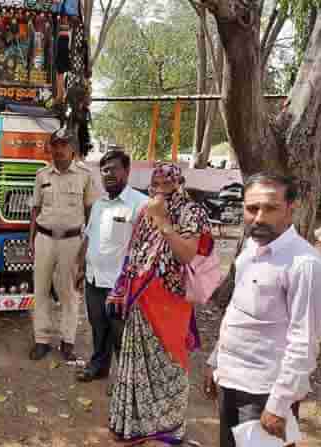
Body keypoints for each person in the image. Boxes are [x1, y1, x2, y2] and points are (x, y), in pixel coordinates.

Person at [204, 174, 321, 447]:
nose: (259, 218)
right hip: (231, 380)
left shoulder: (304, 265)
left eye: (270, 208)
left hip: (264, 393)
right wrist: (216, 362)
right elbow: (236, 313)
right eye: (252, 208)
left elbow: (304, 342)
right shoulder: (250, 249)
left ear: (291, 208)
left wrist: (279, 405)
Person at [107, 162, 213, 445]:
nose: (159, 190)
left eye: (166, 185)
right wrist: (119, 287)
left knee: (170, 362)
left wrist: (164, 222)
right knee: (135, 362)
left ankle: (168, 427)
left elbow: (186, 256)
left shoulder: (192, 212)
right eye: (155, 184)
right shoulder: (144, 211)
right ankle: (134, 425)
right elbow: (133, 252)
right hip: (139, 299)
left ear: (179, 184)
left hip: (171, 305)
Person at [76, 150, 147, 382]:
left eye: (113, 169)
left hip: (120, 285)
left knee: (121, 334)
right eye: (104, 170)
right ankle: (99, 366)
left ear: (127, 171)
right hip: (94, 278)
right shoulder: (99, 205)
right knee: (98, 327)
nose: (108, 174)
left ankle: (125, 379)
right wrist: (80, 269)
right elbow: (88, 237)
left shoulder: (140, 204)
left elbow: (146, 247)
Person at [29, 127, 98, 361]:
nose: (58, 150)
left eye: (64, 146)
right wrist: (32, 239)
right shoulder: (42, 175)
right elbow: (35, 209)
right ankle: (41, 340)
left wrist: (88, 247)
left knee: (70, 292)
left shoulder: (85, 176)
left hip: (72, 241)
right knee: (40, 291)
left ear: (73, 149)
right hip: (44, 239)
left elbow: (91, 213)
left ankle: (68, 341)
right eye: (55, 145)